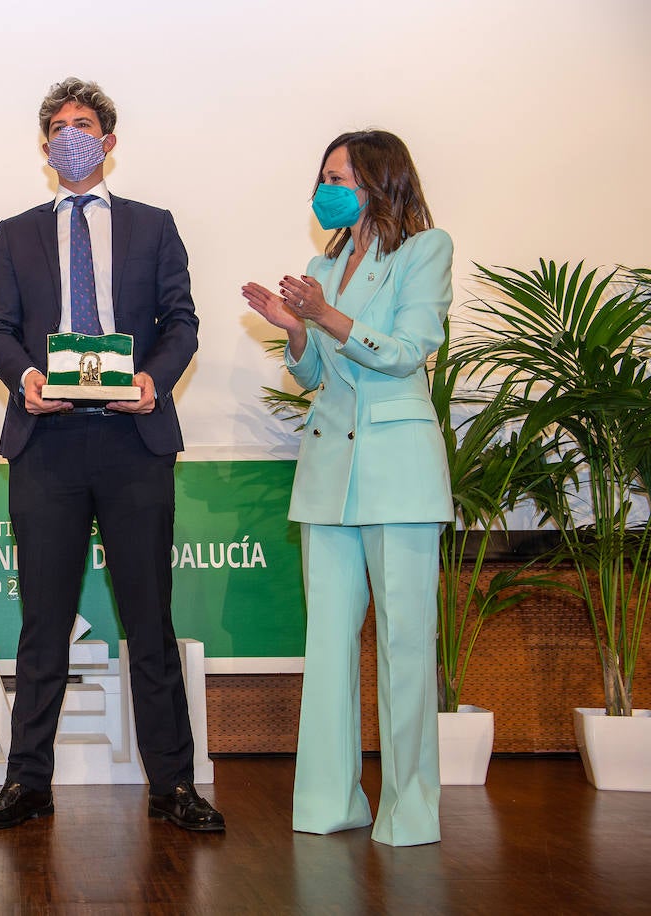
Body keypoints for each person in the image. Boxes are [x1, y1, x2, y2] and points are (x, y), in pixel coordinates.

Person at [0, 78, 222, 832]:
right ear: (44, 146)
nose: (70, 134)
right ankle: (28, 782)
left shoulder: (154, 225)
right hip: (47, 441)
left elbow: (182, 322)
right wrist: (24, 379)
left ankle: (173, 786)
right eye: (57, 126)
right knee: (43, 623)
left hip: (132, 440)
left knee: (148, 618)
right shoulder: (14, 231)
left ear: (109, 142)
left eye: (84, 124)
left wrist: (152, 379)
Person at [242, 129, 452, 847]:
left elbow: (407, 353)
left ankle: (410, 811)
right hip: (330, 471)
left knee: (404, 645)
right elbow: (316, 378)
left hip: (399, 470)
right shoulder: (318, 266)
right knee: (329, 645)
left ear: (378, 181)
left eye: (339, 175)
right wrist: (294, 332)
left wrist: (324, 317)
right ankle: (331, 802)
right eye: (322, 175)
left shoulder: (426, 251)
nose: (325, 188)